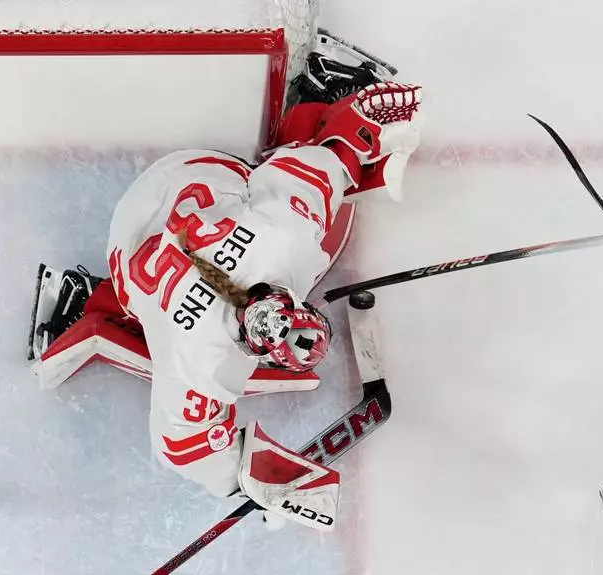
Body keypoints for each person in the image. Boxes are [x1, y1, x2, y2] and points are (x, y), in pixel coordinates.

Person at [28, 32, 423, 527]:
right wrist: (244, 480)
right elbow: (178, 446)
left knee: (316, 218)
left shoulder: (283, 236)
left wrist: (357, 131)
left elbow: (327, 160)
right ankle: (92, 307)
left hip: (168, 189)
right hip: (139, 243)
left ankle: (330, 84)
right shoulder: (204, 355)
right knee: (322, 245)